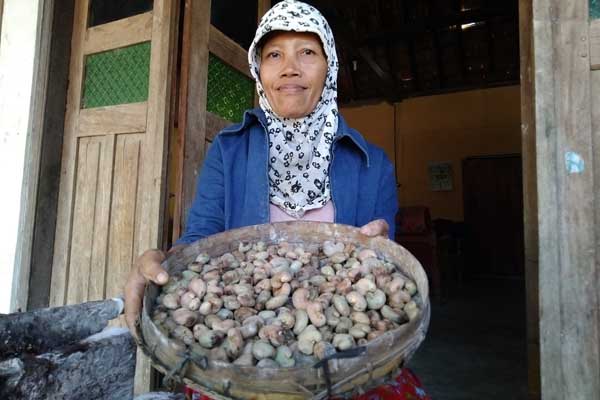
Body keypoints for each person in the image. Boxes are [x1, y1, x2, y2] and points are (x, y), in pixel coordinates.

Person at [125, 1, 429, 399]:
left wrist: (383, 250)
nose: (290, 67)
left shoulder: (373, 164)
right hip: (242, 374)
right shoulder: (228, 151)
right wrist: (165, 263)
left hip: (348, 372)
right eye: (274, 54)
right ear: (258, 69)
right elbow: (200, 239)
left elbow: (387, 271)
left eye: (307, 52)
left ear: (329, 66)